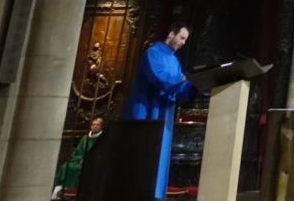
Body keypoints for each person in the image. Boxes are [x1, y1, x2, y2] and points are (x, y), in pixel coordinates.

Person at [122, 22, 195, 199]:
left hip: (165, 113)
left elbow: (181, 86)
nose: (184, 43)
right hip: (146, 110)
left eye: (186, 39)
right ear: (171, 34)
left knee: (160, 154)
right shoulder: (152, 53)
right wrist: (182, 80)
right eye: (182, 37)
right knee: (143, 154)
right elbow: (159, 77)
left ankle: (156, 195)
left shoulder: (174, 61)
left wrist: (198, 84)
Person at [50, 117, 104, 199]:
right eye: (93, 124)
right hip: (80, 161)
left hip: (93, 163)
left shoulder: (102, 139)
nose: (95, 126)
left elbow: (101, 153)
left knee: (79, 169)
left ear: (101, 127)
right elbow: (77, 152)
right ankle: (61, 189)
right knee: (67, 167)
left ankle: (76, 192)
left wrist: (87, 160)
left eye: (98, 125)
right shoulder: (85, 138)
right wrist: (79, 159)